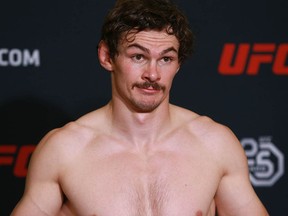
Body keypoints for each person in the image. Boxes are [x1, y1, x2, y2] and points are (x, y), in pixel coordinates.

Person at [11, 0, 269, 215]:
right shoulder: (64, 151)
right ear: (107, 56)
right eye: (138, 56)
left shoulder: (215, 145)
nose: (153, 74)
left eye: (166, 59)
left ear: (178, 64)